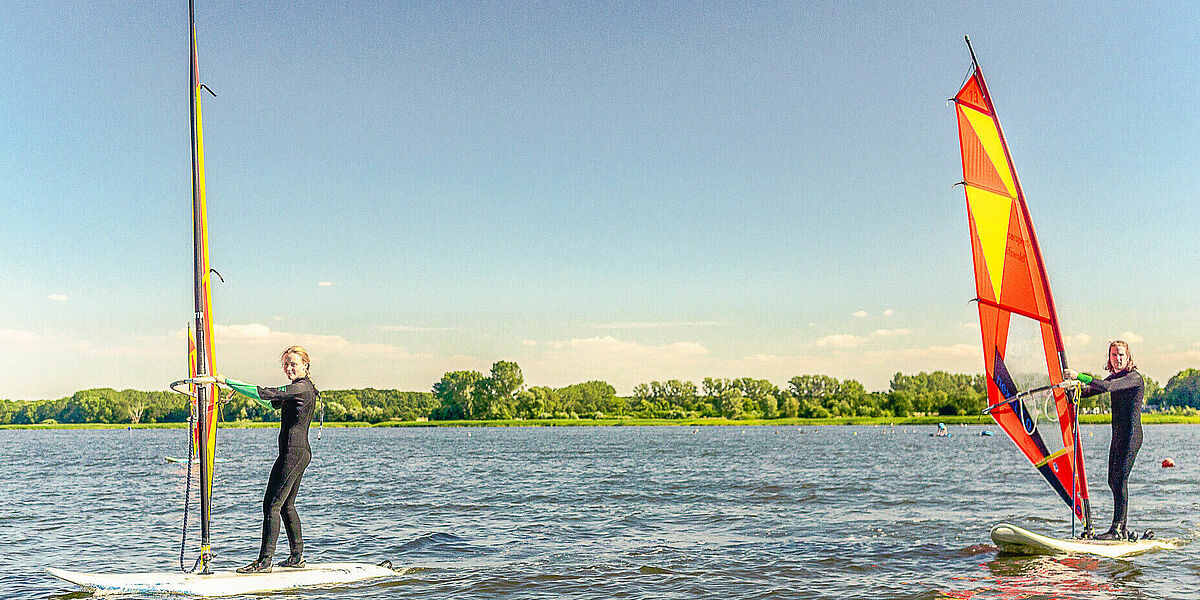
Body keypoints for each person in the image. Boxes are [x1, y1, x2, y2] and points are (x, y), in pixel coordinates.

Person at [215, 346, 319, 573]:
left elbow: (264, 392)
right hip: (299, 453)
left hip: (293, 453)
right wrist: (237, 390)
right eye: (286, 364)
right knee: (286, 505)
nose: (289, 368)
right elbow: (268, 401)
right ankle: (296, 557)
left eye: (293, 363)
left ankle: (264, 562)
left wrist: (228, 381)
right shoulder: (299, 390)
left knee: (271, 505)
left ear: (305, 365)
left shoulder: (300, 388)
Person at [1066, 340, 1144, 541]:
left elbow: (1108, 386)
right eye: (1114, 355)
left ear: (1128, 358)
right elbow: (1091, 391)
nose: (1117, 359)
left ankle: (1117, 529)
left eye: (1121, 355)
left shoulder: (1134, 378)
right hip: (1118, 435)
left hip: (1131, 435)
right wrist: (1071, 390)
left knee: (1121, 479)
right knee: (1112, 480)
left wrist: (1080, 376)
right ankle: (1121, 529)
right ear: (1109, 358)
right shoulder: (1114, 377)